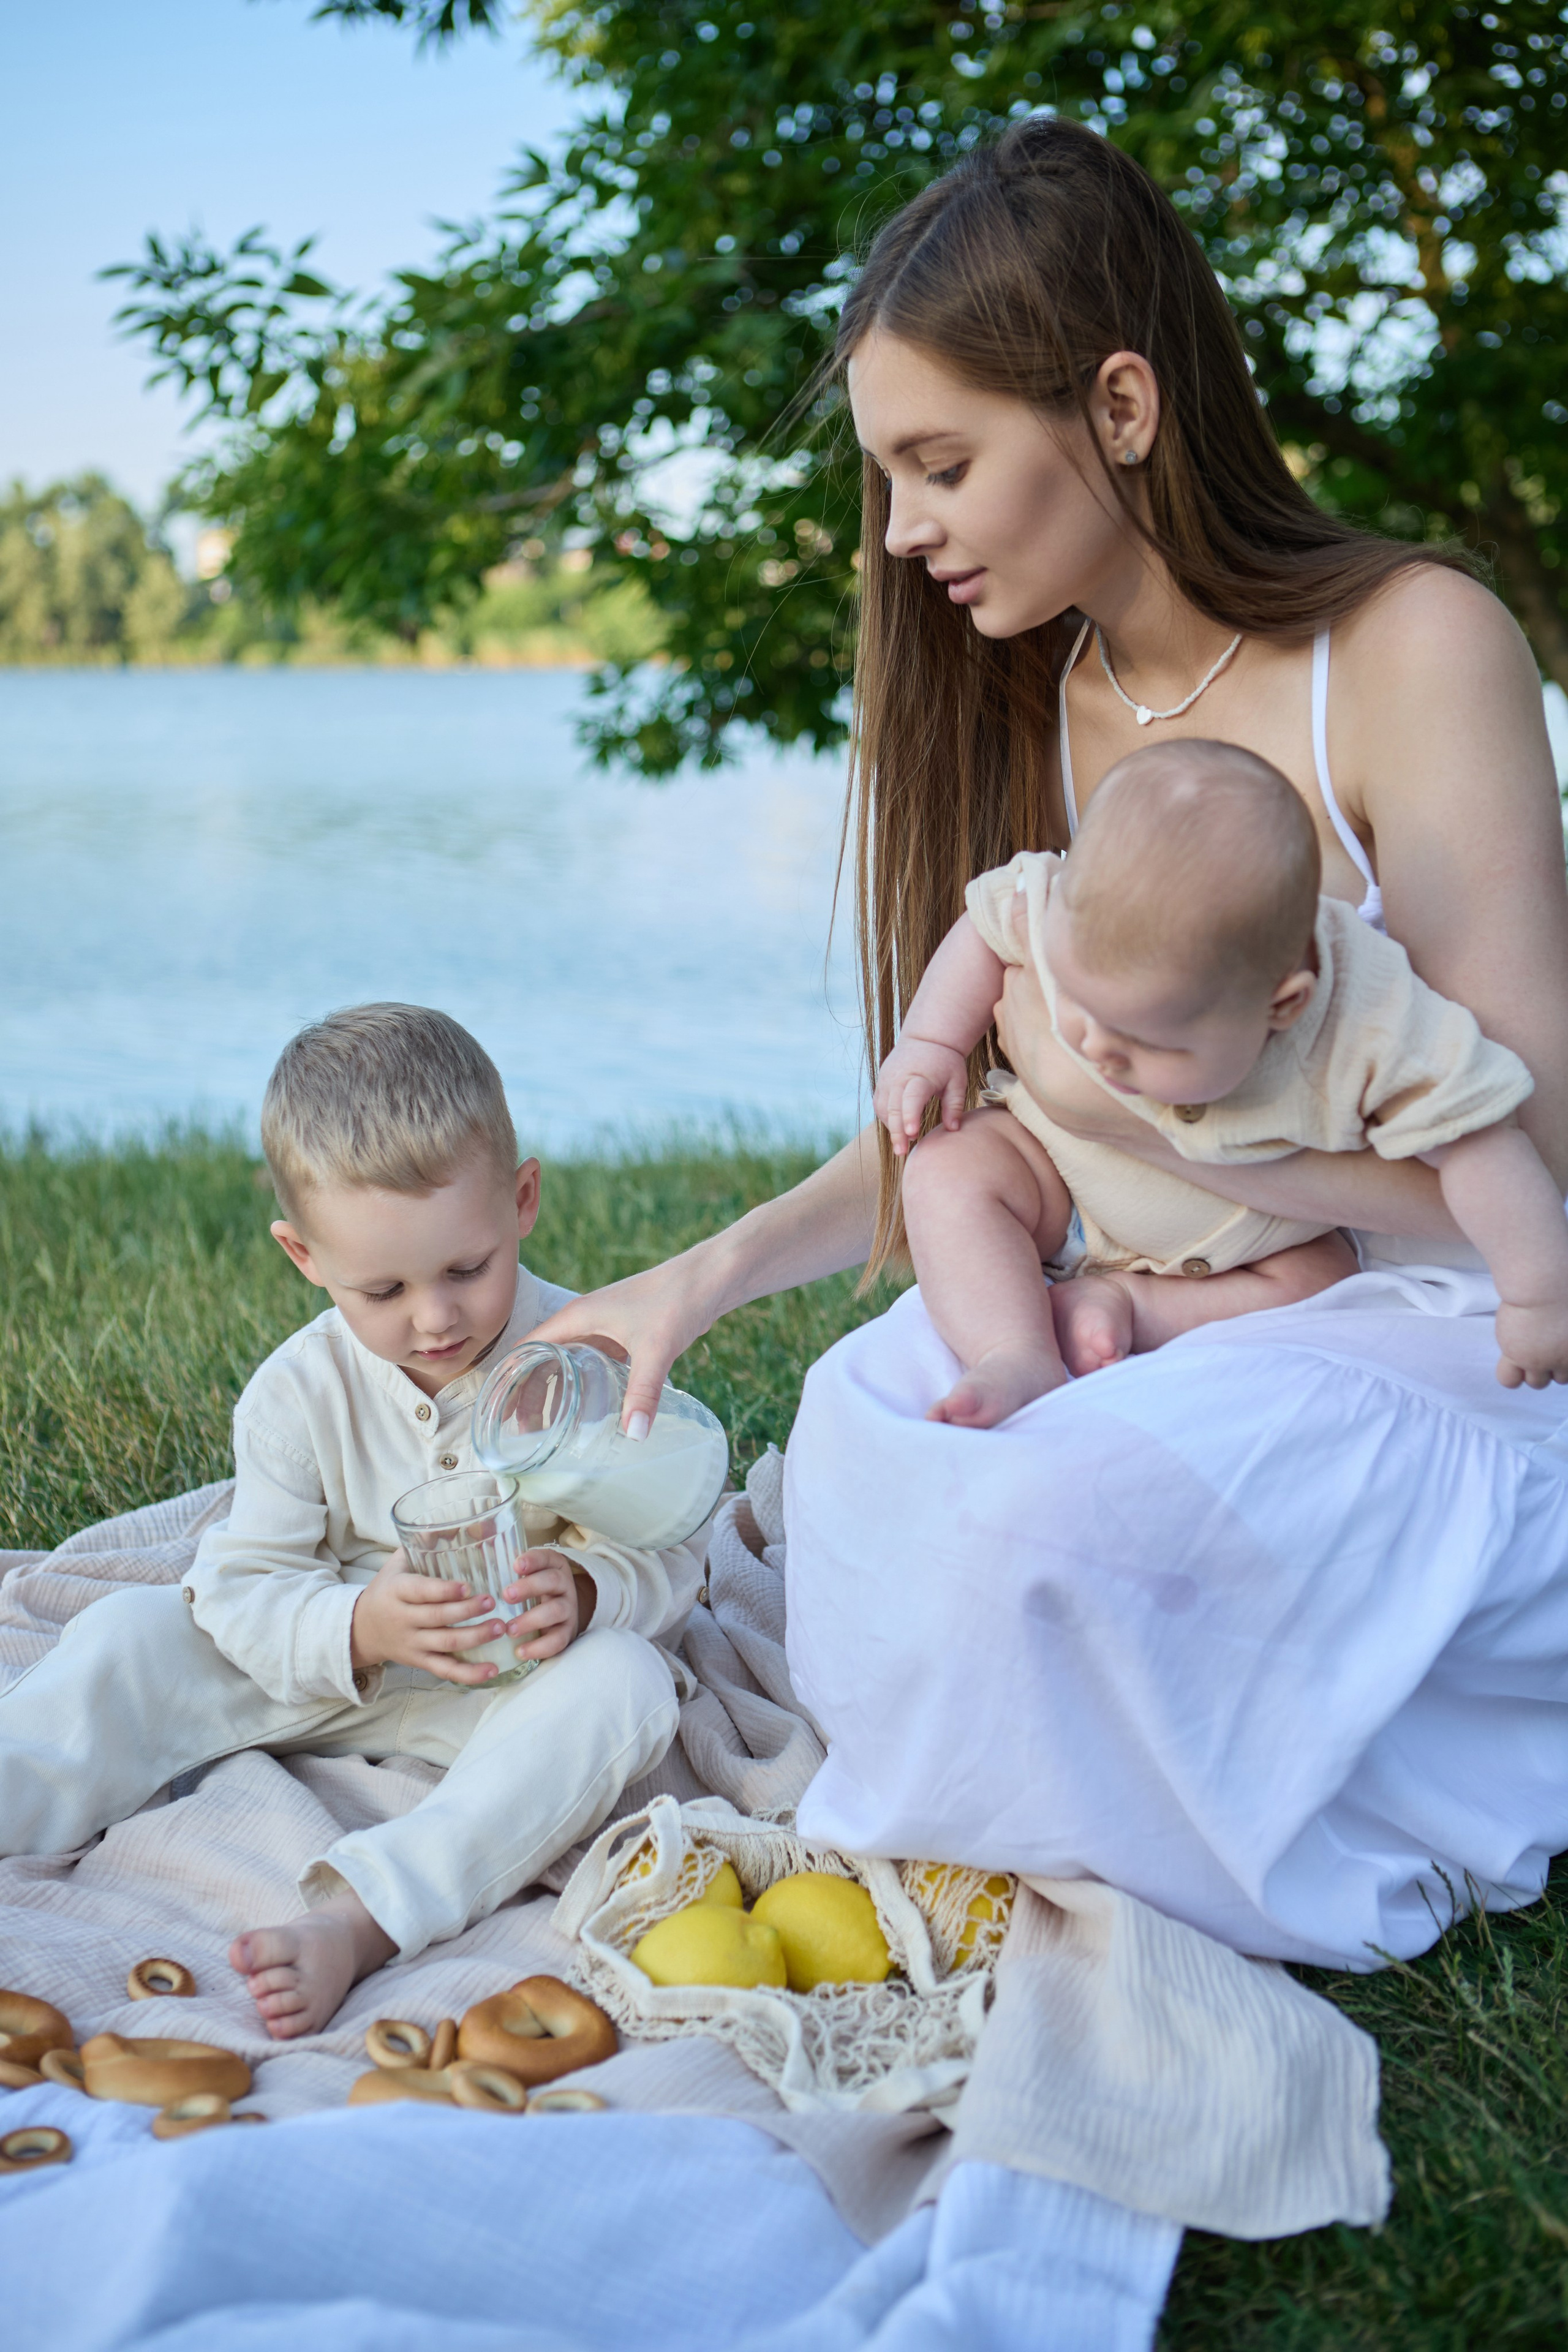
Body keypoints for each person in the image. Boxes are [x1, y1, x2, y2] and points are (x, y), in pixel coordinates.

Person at [529, 113, 1568, 1973]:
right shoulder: (1050, 699)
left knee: (1065, 1508)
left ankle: (1132, 1819)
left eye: (939, 462)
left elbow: (1532, 1144)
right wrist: (700, 1279)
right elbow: (979, 1121)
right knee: (862, 1426)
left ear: (1117, 404)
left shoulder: (1414, 648)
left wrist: (1187, 1153)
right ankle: (1021, 1789)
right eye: (888, 478)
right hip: (1149, 1269)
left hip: (1436, 1306)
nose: (903, 527)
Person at [0, 1005, 695, 2035]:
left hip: (507, 1692)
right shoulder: (297, 1394)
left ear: (523, 1199)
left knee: (630, 1687)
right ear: (304, 1256)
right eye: (385, 1289)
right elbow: (243, 1592)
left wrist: (594, 1592)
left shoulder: (583, 1358)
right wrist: (359, 1627)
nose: (436, 1319)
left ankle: (363, 1915)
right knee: (129, 1636)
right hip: (323, 1671)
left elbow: (674, 1546)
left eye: (468, 1268)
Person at [878, 737, 1568, 1426]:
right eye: (1080, 1006)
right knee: (946, 1169)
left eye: (1150, 1040)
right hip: (1062, 1177)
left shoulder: (1372, 1022)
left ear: (1283, 1005)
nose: (1097, 1051)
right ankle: (1015, 1349)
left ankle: (1135, 1307)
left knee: (1327, 1283)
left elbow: (1483, 1143)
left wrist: (1539, 1294)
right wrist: (930, 1041)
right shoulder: (1067, 902)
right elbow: (986, 922)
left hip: (1256, 1250)